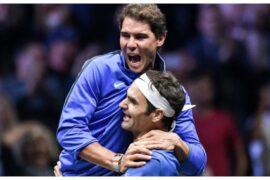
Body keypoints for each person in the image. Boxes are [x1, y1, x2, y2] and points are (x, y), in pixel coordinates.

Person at [56, 4, 206, 176]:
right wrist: (116, 161)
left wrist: (179, 144)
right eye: (125, 35)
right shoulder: (98, 69)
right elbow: (69, 130)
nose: (130, 44)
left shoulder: (172, 92)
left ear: (160, 38)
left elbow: (197, 166)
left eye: (140, 37)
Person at [119, 70, 185, 175]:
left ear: (157, 115)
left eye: (133, 102)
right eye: (126, 98)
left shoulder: (151, 162)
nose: (121, 104)